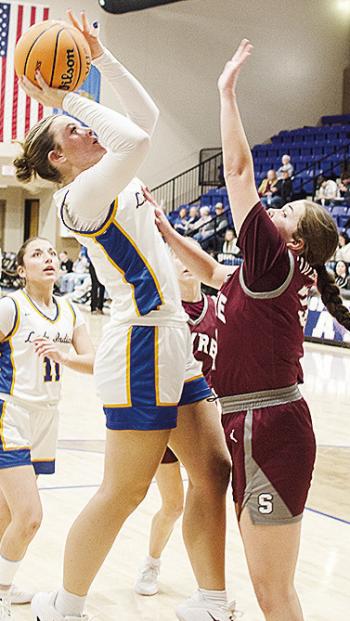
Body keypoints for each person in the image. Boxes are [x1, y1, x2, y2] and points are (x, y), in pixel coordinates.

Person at [15, 10, 232, 621]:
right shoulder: (77, 196)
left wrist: (101, 58)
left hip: (171, 338)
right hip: (139, 344)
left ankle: (211, 599)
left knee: (212, 470)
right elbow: (136, 137)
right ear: (61, 156)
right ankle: (65, 607)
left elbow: (147, 122)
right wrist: (62, 95)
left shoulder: (113, 168)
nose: (89, 125)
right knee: (125, 491)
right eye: (75, 126)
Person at [145, 39, 350, 621]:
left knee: (272, 591)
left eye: (284, 213)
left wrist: (226, 91)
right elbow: (212, 271)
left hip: (267, 426)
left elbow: (237, 169)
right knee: (271, 586)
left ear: (295, 241)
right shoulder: (269, 274)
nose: (273, 211)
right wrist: (167, 231)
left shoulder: (275, 262)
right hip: (259, 423)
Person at [0, 237, 94, 618]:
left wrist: (66, 357)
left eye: (51, 253)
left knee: (7, 514)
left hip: (46, 419)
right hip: (10, 414)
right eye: (37, 254)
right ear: (22, 270)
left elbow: (92, 360)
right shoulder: (11, 307)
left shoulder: (70, 312)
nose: (48, 258)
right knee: (29, 516)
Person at [135, 241, 222, 596]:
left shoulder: (219, 308)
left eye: (190, 255)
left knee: (213, 494)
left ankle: (211, 584)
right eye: (176, 256)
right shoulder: (167, 311)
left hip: (206, 416)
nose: (184, 262)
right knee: (173, 504)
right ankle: (151, 563)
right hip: (170, 418)